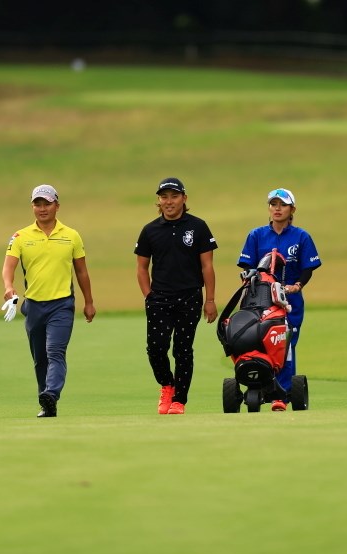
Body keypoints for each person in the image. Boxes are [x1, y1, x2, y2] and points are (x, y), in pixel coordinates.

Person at [2, 184, 96, 418]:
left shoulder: (71, 235)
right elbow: (8, 267)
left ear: (57, 205)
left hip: (62, 304)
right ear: (33, 206)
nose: (42, 208)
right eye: (37, 204)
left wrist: (89, 301)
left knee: (55, 351)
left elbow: (82, 272)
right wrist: (9, 287)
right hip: (33, 306)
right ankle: (47, 404)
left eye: (47, 203)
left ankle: (51, 393)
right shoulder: (20, 237)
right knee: (40, 359)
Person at [135, 177, 218, 415]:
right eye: (164, 197)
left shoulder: (198, 227)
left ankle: (179, 400)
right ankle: (167, 385)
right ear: (158, 201)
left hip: (189, 296)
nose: (169, 202)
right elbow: (141, 267)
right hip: (159, 298)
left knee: (182, 349)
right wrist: (148, 296)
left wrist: (210, 299)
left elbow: (207, 266)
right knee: (156, 348)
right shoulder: (150, 230)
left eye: (174, 196)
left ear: (184, 199)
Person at [237, 188, 322, 409]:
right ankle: (258, 386)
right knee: (257, 342)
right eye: (273, 204)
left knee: (285, 346)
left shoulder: (301, 236)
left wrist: (298, 285)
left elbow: (308, 268)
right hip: (260, 299)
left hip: (290, 300)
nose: (277, 208)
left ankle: (280, 396)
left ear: (292, 209)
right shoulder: (256, 235)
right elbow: (247, 265)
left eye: (282, 205)